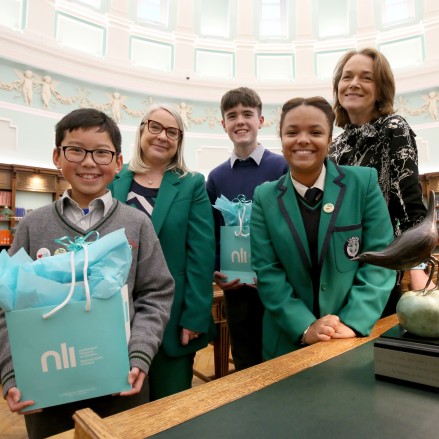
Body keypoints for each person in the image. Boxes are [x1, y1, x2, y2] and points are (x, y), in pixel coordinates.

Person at [0, 108, 174, 438]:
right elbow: (6, 307)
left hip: (120, 385)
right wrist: (12, 372)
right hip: (46, 387)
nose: (89, 162)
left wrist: (139, 354)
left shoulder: (136, 224)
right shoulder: (32, 225)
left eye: (101, 152)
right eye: (76, 149)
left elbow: (156, 294)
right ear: (57, 155)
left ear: (118, 161)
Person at [250, 96, 396, 360]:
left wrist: (351, 322)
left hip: (350, 337)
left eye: (315, 132)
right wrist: (305, 327)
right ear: (281, 139)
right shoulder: (264, 197)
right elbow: (267, 271)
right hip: (287, 343)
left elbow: (380, 259)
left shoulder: (363, 183)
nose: (303, 140)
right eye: (292, 132)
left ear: (329, 139)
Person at [109, 103, 215, 400]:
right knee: (123, 411)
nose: (162, 136)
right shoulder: (113, 179)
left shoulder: (191, 184)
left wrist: (194, 316)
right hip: (116, 316)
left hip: (173, 316)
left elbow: (201, 254)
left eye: (172, 132)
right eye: (155, 127)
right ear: (142, 130)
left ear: (179, 141)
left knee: (171, 409)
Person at [329, 48, 430, 315]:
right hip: (335, 274)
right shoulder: (335, 146)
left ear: (381, 88)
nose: (353, 83)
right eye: (346, 76)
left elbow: (411, 209)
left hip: (377, 276)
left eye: (366, 77)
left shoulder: (394, 128)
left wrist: (418, 271)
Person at [206, 87, 288, 371]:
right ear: (224, 124)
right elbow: (213, 231)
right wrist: (218, 270)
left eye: (247, 114)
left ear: (261, 121)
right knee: (245, 359)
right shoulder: (216, 177)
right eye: (232, 116)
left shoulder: (281, 167)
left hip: (277, 283)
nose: (240, 121)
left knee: (280, 357)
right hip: (237, 287)